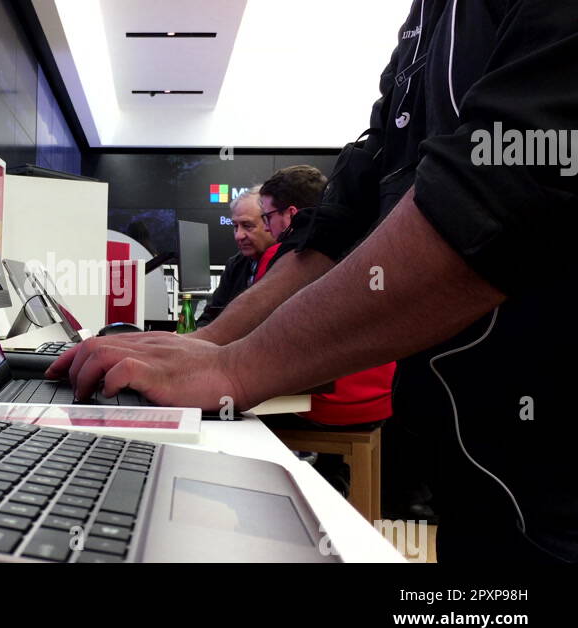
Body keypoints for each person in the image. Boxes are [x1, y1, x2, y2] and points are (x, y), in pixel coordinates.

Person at [48, 0, 578, 562]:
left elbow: (506, 201)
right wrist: (208, 346)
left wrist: (235, 366)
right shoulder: (426, 23)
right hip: (474, 464)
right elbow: (339, 221)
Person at [255, 166, 397, 496]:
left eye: (267, 217)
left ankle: (274, 509)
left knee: (237, 412)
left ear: (290, 214)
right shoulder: (371, 244)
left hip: (329, 404)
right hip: (381, 401)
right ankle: (332, 481)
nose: (266, 227)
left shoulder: (287, 254)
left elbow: (258, 332)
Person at [197, 189, 277, 327]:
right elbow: (210, 316)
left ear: (269, 223)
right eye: (235, 226)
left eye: (247, 226)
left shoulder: (288, 263)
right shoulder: (235, 264)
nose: (238, 235)